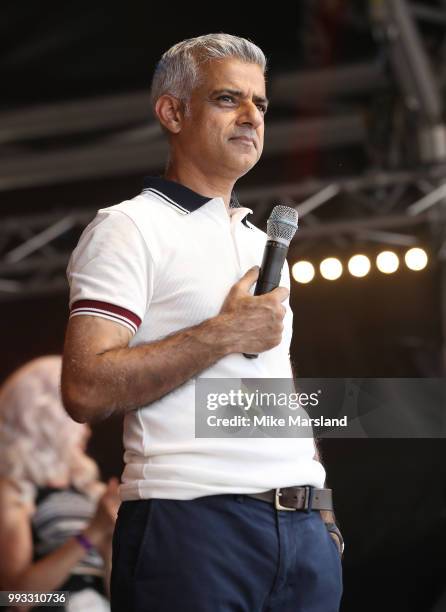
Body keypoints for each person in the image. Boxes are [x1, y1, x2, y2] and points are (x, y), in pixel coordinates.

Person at [62, 33, 343, 611]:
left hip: (303, 533)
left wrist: (323, 508)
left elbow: (274, 387)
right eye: (227, 99)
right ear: (172, 112)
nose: (251, 116)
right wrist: (224, 332)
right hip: (192, 524)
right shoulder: (129, 227)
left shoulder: (261, 240)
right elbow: (85, 388)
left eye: (260, 104)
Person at [0, 356, 120, 611]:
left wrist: (109, 542)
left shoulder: (89, 491)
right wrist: (91, 534)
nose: (86, 430)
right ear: (46, 418)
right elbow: (14, 598)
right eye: (75, 417)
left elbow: (118, 598)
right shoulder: (16, 491)